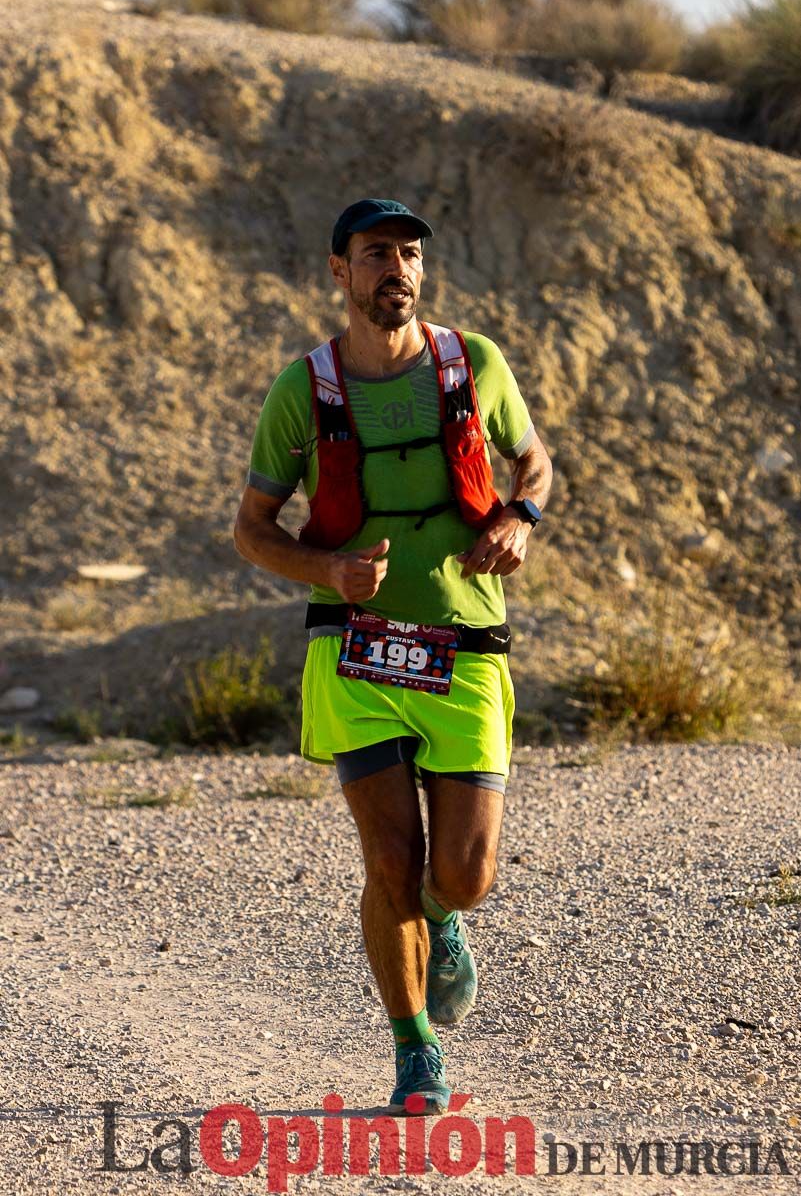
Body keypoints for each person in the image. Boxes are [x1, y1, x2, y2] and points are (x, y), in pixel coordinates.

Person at [234, 198, 553, 1115]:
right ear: (339, 272)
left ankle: (444, 920)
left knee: (460, 873)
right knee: (388, 861)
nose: (397, 270)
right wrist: (326, 567)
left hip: (465, 644)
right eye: (377, 254)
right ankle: (414, 1051)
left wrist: (518, 519)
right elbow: (252, 531)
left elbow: (532, 462)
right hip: (355, 650)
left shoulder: (473, 363)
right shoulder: (305, 390)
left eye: (409, 254)